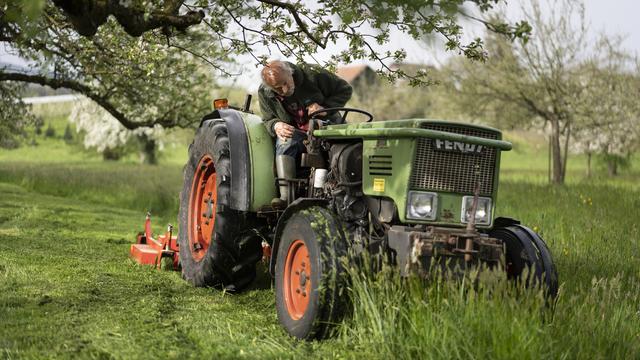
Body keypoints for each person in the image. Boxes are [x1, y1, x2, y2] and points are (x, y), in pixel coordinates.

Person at [259, 60, 353, 207]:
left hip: (326, 128)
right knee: (285, 139)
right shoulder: (265, 92)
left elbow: (345, 89)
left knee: (342, 151)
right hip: (296, 133)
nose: (284, 90)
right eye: (278, 88)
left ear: (291, 73)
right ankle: (286, 198)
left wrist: (325, 107)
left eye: (286, 83)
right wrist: (276, 125)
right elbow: (268, 119)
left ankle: (338, 193)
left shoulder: (314, 74)